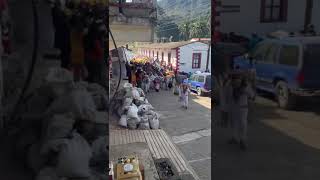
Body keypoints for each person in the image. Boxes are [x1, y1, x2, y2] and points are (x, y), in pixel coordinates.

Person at [229, 76, 255, 151]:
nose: (237, 82)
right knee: (234, 123)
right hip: (234, 108)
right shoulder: (231, 87)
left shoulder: (246, 87)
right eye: (235, 81)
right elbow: (229, 97)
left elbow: (252, 96)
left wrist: (246, 91)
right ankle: (235, 138)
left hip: (243, 108)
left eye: (238, 80)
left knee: (243, 124)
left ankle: (242, 140)